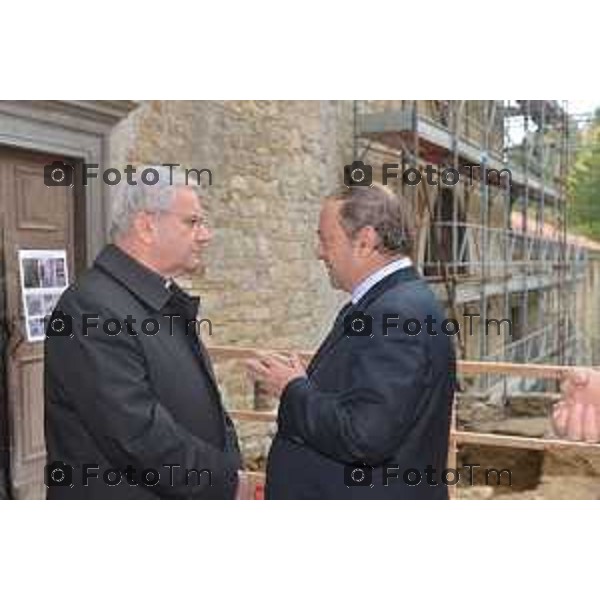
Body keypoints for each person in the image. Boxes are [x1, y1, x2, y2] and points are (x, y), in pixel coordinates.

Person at [247, 184, 456, 499]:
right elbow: (372, 393)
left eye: (325, 239)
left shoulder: (394, 313)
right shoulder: (388, 302)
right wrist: (310, 378)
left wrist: (292, 389)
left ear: (365, 241)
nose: (319, 252)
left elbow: (365, 435)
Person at [44, 166, 241, 499]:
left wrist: (229, 461)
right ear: (147, 225)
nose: (206, 235)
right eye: (192, 222)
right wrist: (227, 481)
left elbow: (204, 404)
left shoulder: (161, 298)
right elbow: (137, 435)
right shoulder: (90, 308)